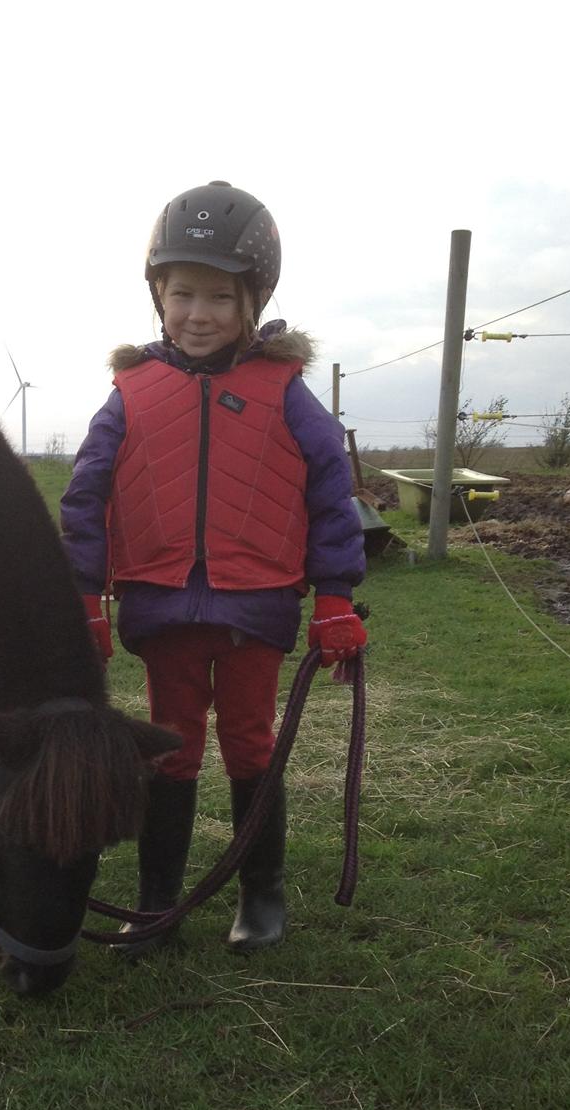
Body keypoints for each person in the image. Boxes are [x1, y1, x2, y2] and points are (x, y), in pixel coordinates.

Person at [60, 179, 366, 954]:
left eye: (220, 299)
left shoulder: (284, 390)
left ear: (251, 304)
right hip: (161, 610)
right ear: (158, 295)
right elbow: (86, 495)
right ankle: (159, 903)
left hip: (254, 610)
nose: (199, 314)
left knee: (251, 744)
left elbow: (332, 490)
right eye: (182, 294)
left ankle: (260, 896)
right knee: (172, 748)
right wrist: (84, 597)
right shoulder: (130, 393)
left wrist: (336, 598)